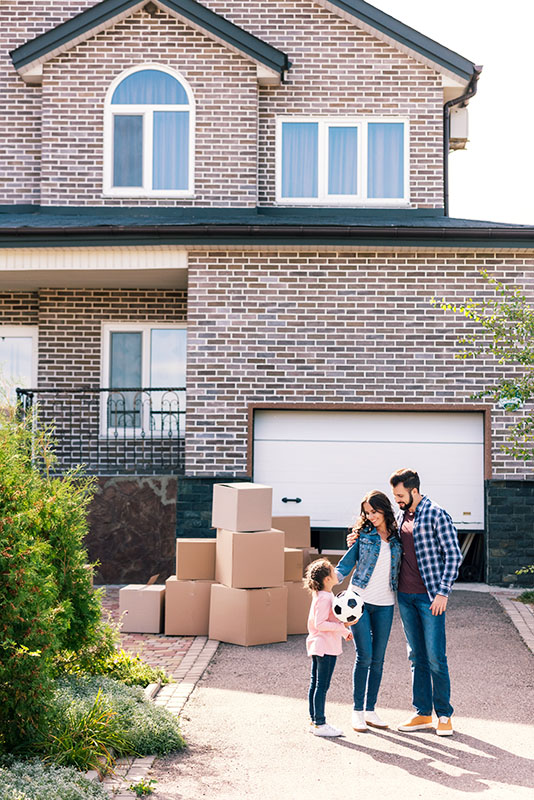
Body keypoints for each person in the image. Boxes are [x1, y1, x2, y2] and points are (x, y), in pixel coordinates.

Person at [348, 468, 462, 736]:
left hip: (430, 598)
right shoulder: (400, 516)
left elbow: (454, 556)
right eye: (394, 495)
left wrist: (443, 593)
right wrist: (355, 538)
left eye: (400, 495)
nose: (396, 499)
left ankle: (443, 714)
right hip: (404, 597)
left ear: (414, 490)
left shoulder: (436, 514)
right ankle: (422, 713)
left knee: (435, 656)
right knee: (415, 656)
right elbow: (380, 538)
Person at [335, 490, 402, 732]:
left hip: (385, 604)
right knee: (364, 656)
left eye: (374, 512)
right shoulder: (363, 536)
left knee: (378, 659)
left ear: (384, 509)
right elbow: (345, 565)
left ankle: (371, 709)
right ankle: (357, 712)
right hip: (358, 602)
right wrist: (322, 583)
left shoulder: (397, 537)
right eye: (367, 513)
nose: (370, 516)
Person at [305, 558, 354, 737]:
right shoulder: (325, 598)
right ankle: (320, 723)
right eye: (333, 572)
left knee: (316, 684)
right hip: (324, 647)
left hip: (320, 645)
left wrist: (344, 628)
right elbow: (321, 623)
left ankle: (314, 720)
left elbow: (329, 620)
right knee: (321, 685)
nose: (336, 574)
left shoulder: (322, 596)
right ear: (327, 579)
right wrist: (342, 629)